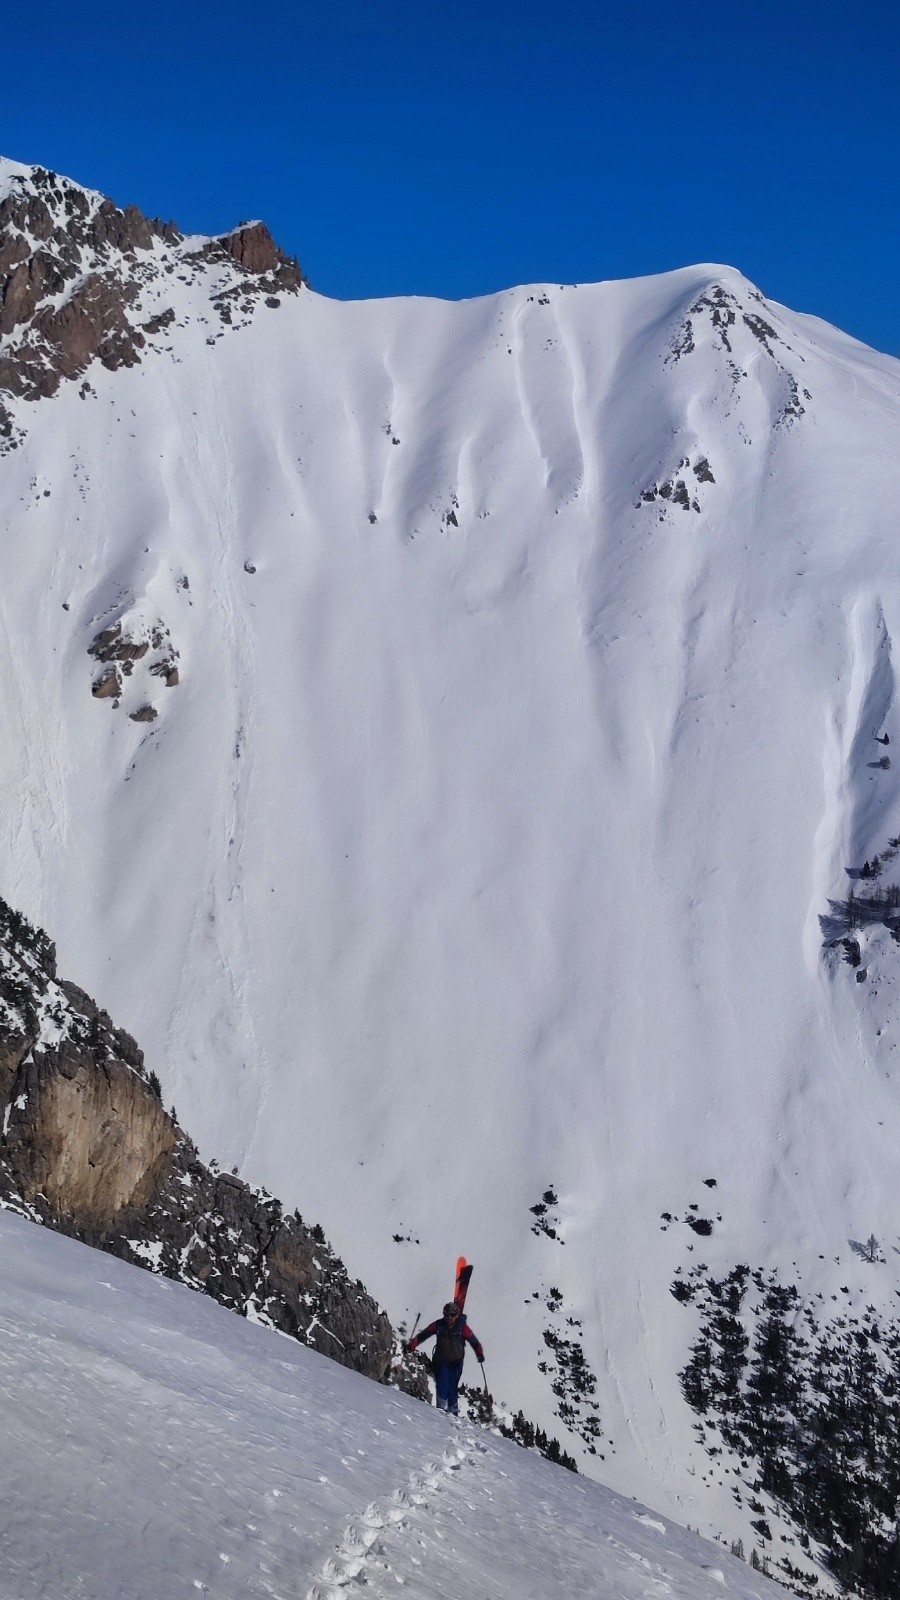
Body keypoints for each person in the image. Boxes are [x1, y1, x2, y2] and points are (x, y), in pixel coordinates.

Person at [408, 1301, 485, 1415]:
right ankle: (440, 1411)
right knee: (443, 1385)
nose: (449, 1318)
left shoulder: (462, 1328)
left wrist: (479, 1353)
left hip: (456, 1363)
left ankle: (453, 1414)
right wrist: (412, 1345)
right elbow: (424, 1334)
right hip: (441, 1361)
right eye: (446, 1315)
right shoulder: (438, 1325)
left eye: (452, 1315)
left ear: (457, 1315)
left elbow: (474, 1341)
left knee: (452, 1388)